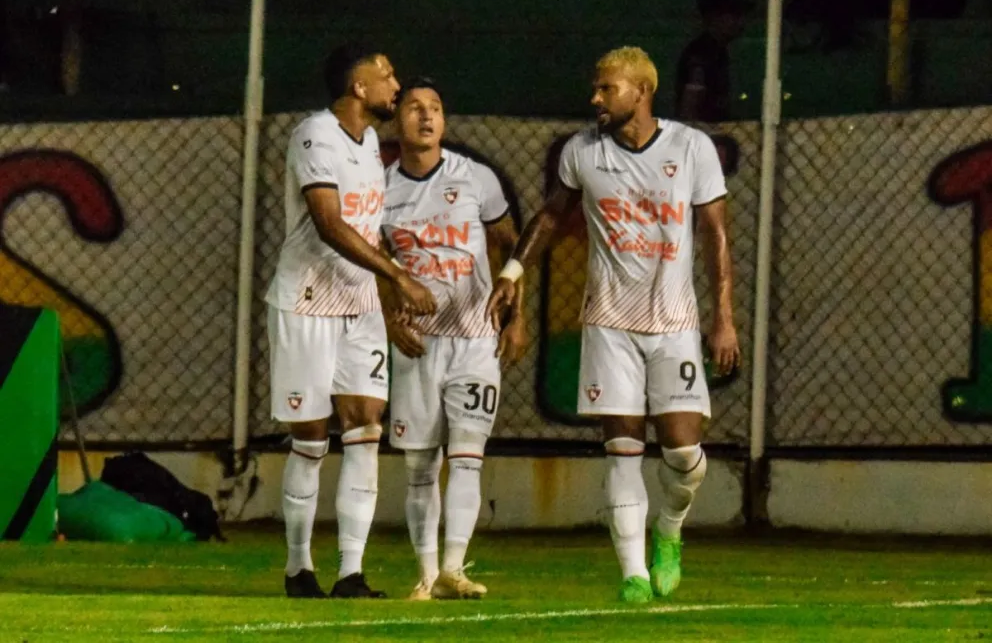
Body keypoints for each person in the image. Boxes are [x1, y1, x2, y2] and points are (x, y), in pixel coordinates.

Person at [487, 46, 740, 603]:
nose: (595, 98)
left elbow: (715, 235)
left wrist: (723, 317)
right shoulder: (583, 152)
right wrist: (511, 270)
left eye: (607, 88)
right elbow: (553, 213)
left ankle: (669, 531)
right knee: (622, 447)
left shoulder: (690, 147)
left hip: (674, 322)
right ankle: (633, 575)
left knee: (680, 454)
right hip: (608, 323)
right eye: (596, 88)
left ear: (642, 92)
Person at [264, 42, 437, 600]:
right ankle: (298, 570)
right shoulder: (315, 136)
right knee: (312, 439)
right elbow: (330, 225)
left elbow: (368, 232)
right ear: (358, 88)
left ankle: (351, 574)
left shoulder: (370, 147)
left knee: (365, 431)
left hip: (358, 308)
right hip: (307, 302)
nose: (396, 82)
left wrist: (385, 303)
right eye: (385, 74)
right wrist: (400, 279)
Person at [381, 76, 526, 600]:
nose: (426, 116)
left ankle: (454, 568)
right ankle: (425, 576)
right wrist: (388, 312)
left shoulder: (476, 178)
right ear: (398, 120)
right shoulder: (380, 188)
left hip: (473, 339)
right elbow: (371, 261)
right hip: (417, 344)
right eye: (415, 108)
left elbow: (513, 246)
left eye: (435, 108)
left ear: (443, 121)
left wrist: (518, 316)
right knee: (421, 464)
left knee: (467, 455)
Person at [674, 0, 753, 122]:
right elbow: (689, 105)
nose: (740, 21)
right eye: (733, 15)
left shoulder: (717, 51)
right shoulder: (701, 54)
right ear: (714, 17)